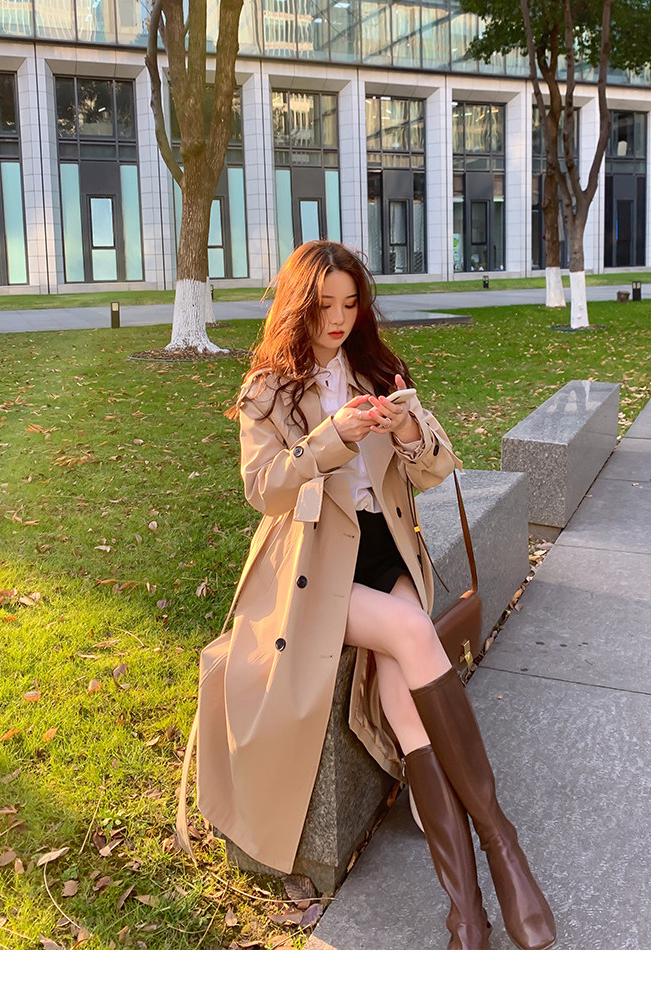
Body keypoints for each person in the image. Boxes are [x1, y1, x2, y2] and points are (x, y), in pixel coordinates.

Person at [183, 240, 556, 951]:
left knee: (399, 679)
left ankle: (467, 909)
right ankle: (501, 844)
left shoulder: (377, 369)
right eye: (324, 305)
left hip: (386, 552)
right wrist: (330, 437)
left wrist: (409, 428)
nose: (338, 319)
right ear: (298, 307)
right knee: (412, 635)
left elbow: (435, 471)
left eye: (351, 304)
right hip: (315, 569)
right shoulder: (267, 389)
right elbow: (264, 490)